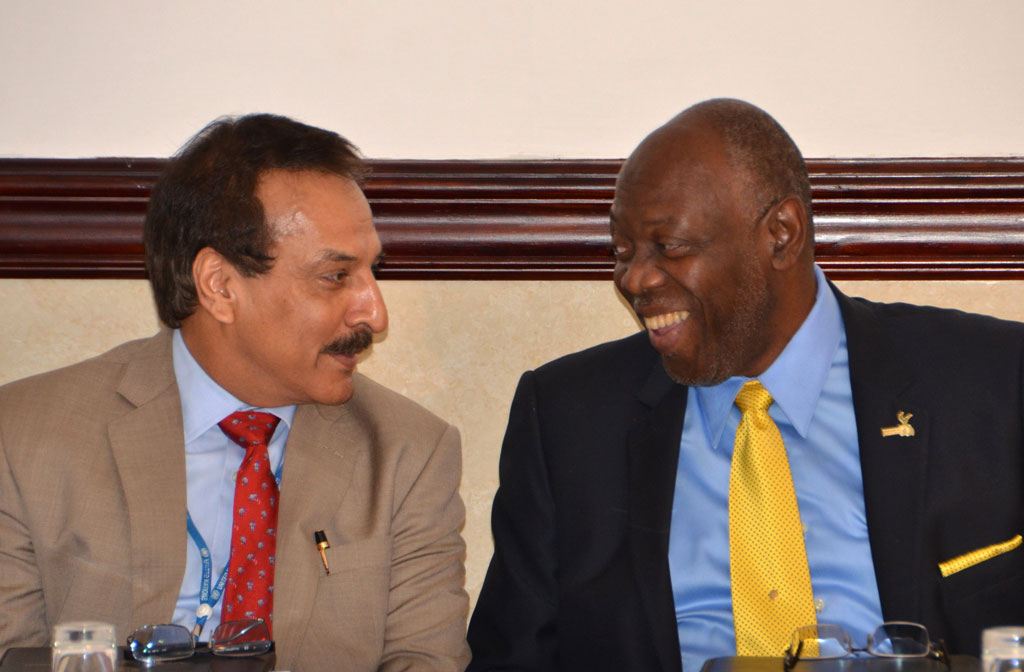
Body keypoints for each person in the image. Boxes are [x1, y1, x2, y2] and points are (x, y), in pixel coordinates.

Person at [467, 98, 1024, 672]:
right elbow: (513, 656)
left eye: (670, 247)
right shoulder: (568, 418)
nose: (635, 280)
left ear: (781, 233)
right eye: (624, 252)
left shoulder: (993, 381)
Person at [0, 114, 470, 671]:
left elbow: (425, 661)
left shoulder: (408, 453)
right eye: (335, 276)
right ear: (220, 287)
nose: (375, 311)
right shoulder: (24, 437)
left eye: (372, 271)